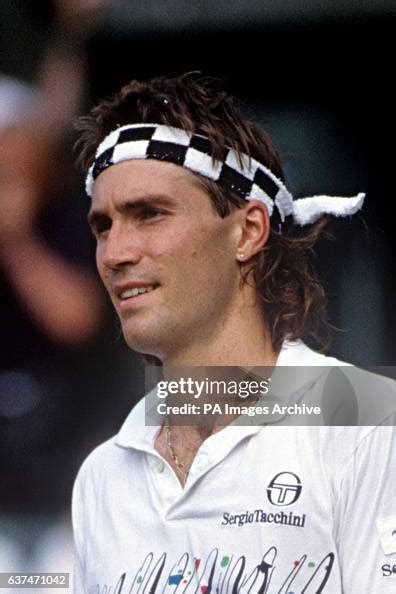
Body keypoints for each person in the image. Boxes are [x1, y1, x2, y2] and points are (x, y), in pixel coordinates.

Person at [72, 73, 396, 593]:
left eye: (149, 214)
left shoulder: (367, 421)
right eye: (103, 226)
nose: (115, 253)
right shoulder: (102, 476)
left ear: (248, 231)